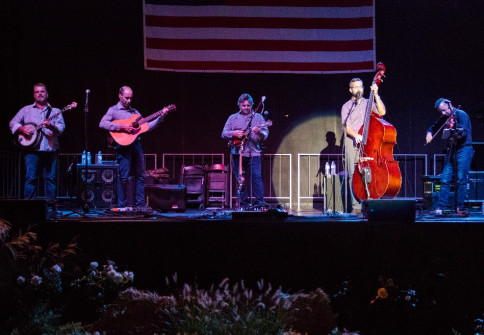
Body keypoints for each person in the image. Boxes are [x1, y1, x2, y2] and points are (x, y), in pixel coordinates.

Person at [99, 86, 166, 209]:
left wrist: (160, 116)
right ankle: (122, 206)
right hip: (123, 147)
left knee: (141, 176)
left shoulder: (135, 113)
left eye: (131, 98)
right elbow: (102, 123)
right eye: (126, 98)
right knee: (123, 177)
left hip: (136, 145)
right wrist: (121, 127)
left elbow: (147, 126)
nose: (129, 101)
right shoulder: (113, 110)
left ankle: (140, 205)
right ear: (120, 96)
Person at [9, 83, 66, 219]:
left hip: (49, 150)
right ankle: (28, 210)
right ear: (34, 94)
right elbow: (12, 123)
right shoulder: (26, 110)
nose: (39, 94)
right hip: (32, 151)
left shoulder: (55, 111)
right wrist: (23, 130)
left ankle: (51, 211)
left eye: (42, 91)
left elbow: (61, 128)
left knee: (50, 180)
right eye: (37, 92)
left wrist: (51, 126)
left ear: (47, 94)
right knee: (30, 180)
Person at [341, 78, 386, 214]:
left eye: (360, 86)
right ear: (351, 90)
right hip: (352, 141)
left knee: (369, 171)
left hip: (368, 141)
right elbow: (346, 126)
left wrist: (376, 95)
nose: (359, 89)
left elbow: (382, 112)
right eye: (355, 87)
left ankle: (369, 201)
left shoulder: (368, 103)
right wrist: (356, 135)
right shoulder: (347, 106)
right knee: (352, 173)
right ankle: (356, 206)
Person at [426, 98, 473, 215]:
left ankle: (460, 208)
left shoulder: (461, 114)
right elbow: (434, 126)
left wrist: (453, 132)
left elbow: (465, 132)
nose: (443, 113)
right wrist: (429, 132)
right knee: (445, 179)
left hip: (464, 149)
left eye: (444, 110)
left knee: (461, 179)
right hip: (452, 149)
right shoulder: (446, 117)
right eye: (440, 112)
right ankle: (441, 208)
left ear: (449, 105)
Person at [222, 93, 269, 209]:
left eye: (248, 105)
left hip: (254, 153)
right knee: (240, 179)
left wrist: (258, 132)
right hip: (238, 153)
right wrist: (234, 133)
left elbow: (265, 135)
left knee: (256, 178)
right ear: (239, 105)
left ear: (252, 105)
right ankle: (243, 204)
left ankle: (260, 203)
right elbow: (223, 133)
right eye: (243, 105)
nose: (246, 108)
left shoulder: (258, 117)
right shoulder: (233, 118)